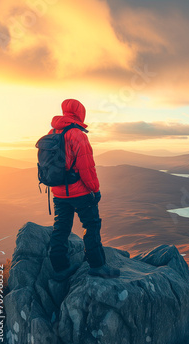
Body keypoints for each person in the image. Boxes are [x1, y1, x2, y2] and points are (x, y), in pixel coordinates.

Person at [48, 99, 120, 280]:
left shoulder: (52, 133)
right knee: (91, 226)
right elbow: (86, 167)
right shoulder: (77, 135)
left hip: (58, 192)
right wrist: (95, 190)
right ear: (80, 114)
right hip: (80, 192)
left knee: (61, 228)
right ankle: (97, 266)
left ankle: (60, 269)